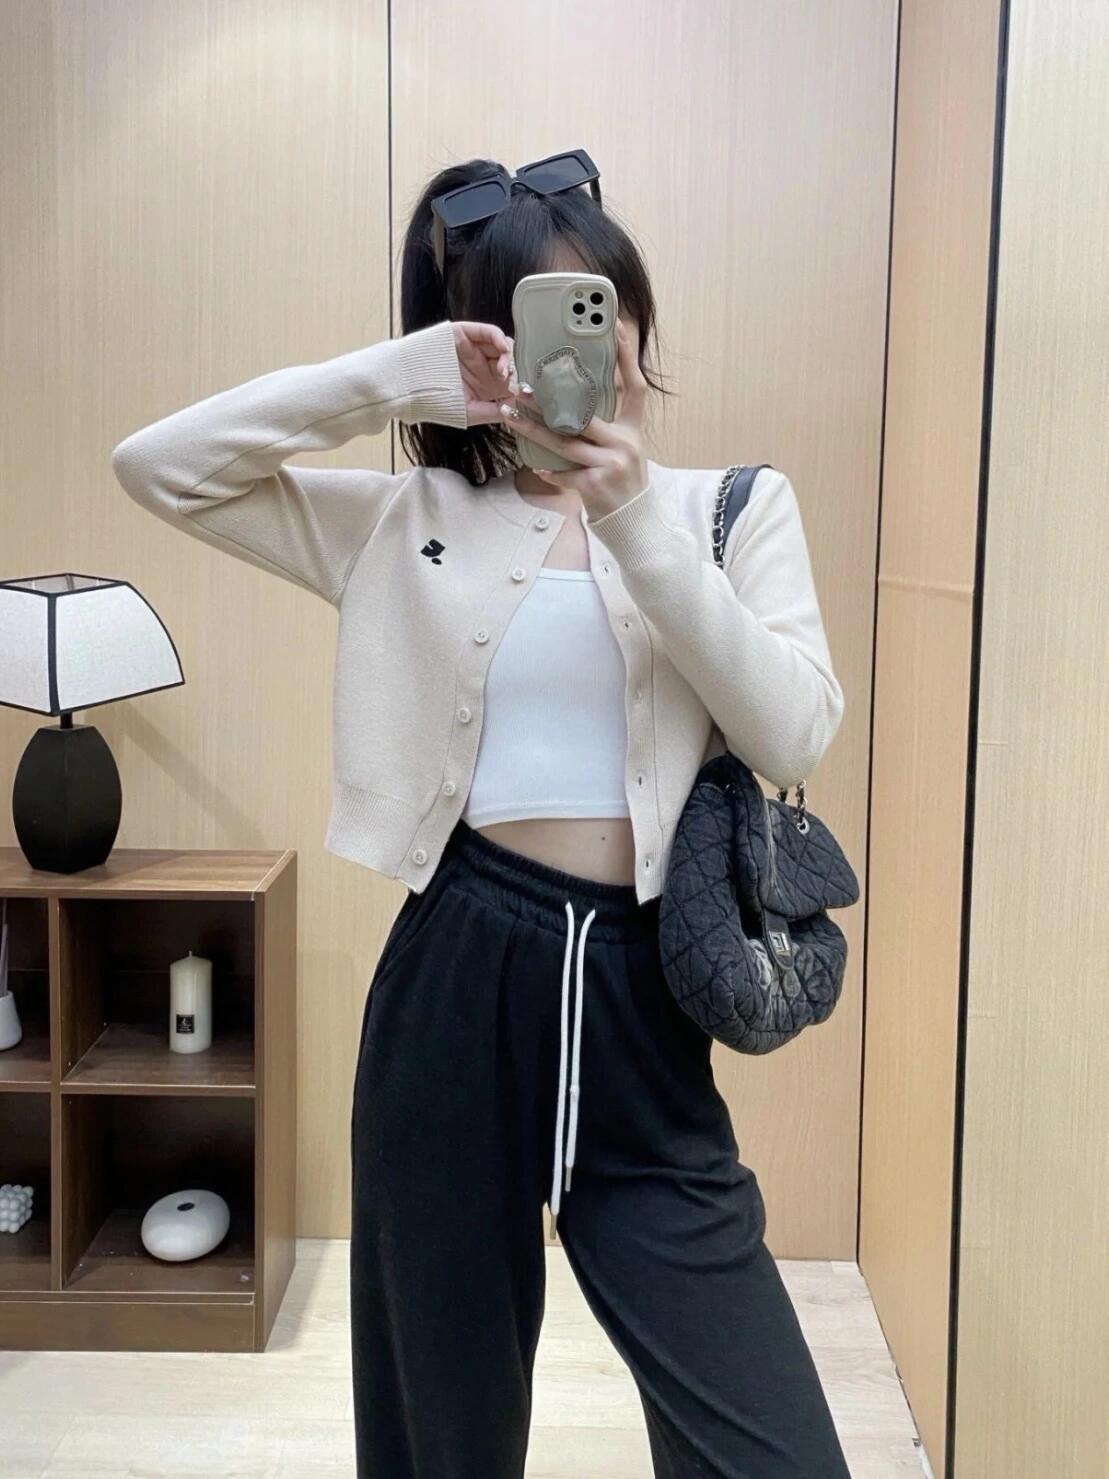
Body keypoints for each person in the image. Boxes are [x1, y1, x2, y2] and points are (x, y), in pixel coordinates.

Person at [111, 152, 849, 1478]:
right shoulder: (410, 518)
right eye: (542, 316)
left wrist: (633, 522)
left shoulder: (725, 511)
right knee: (436, 1433)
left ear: (635, 315)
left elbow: (793, 730)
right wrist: (395, 379)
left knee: (772, 1452)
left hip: (644, 997)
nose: (591, 341)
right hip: (456, 974)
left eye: (601, 301)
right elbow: (159, 468)